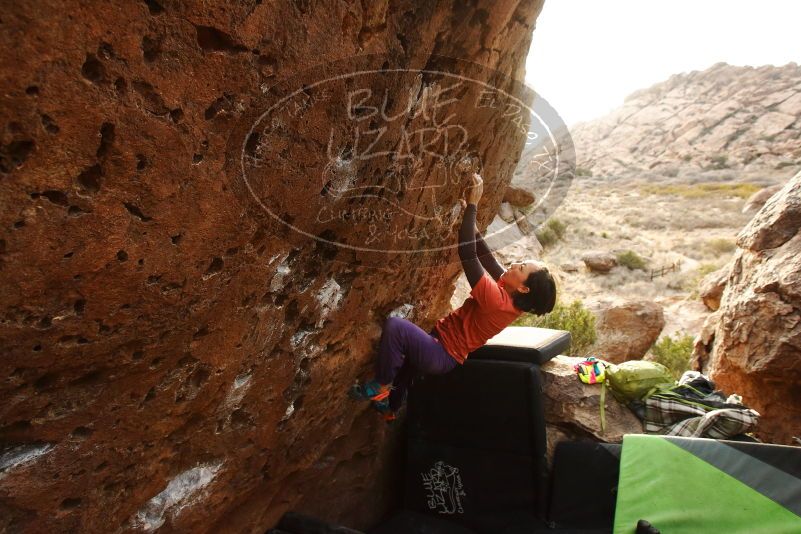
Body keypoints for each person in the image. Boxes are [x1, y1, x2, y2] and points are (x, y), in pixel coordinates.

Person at [349, 173, 558, 421]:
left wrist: (473, 205)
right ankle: (390, 409)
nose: (515, 264)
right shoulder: (513, 297)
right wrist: (471, 224)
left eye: (521, 268)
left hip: (440, 353)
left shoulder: (497, 302)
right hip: (441, 346)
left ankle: (381, 385)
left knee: (396, 328)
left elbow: (467, 254)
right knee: (406, 369)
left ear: (524, 288)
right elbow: (488, 259)